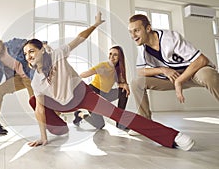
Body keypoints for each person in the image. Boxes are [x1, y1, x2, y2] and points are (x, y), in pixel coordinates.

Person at [23, 12, 194, 151]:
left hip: (82, 94)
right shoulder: (36, 81)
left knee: (119, 115)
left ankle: (172, 136)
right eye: (25, 54)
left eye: (31, 51)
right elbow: (39, 108)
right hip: (63, 104)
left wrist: (95, 25)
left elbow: (80, 38)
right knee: (33, 100)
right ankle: (60, 128)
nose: (28, 56)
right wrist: (43, 138)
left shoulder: (57, 54)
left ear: (42, 51)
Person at [128, 14, 219, 120]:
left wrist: (179, 81)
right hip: (172, 77)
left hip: (193, 72)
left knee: (208, 75)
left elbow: (201, 60)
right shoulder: (142, 45)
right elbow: (140, 71)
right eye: (130, 32)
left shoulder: (169, 38)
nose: (133, 35)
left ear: (148, 28)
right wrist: (163, 70)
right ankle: (146, 123)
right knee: (137, 82)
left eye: (137, 30)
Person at [0, 33, 34, 132]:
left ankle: (56, 116)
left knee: (34, 101)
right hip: (17, 79)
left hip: (29, 75)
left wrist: (44, 45)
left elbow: (31, 44)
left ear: (0, 42)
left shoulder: (13, 44)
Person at [73, 45, 130, 130]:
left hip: (105, 94)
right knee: (100, 125)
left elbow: (119, 83)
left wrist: (125, 85)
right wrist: (95, 71)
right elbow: (83, 75)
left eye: (115, 55)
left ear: (120, 57)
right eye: (110, 54)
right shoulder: (103, 66)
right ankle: (79, 114)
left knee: (123, 92)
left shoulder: (118, 69)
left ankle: (120, 122)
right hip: (92, 94)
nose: (112, 57)